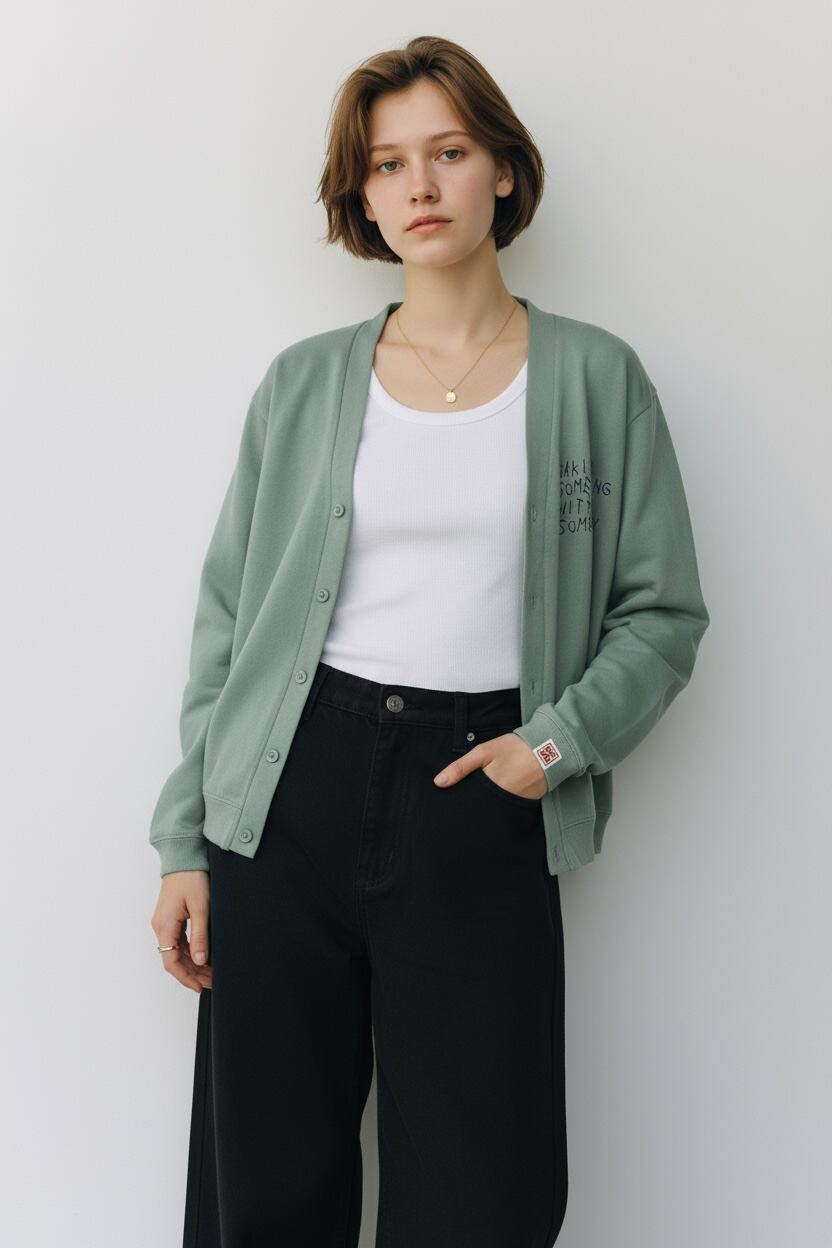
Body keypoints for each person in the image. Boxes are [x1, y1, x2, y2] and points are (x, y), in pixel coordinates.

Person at [149, 35, 709, 1248]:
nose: (418, 186)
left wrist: (550, 749)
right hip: (287, 795)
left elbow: (662, 614)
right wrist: (186, 839)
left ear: (501, 169)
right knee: (265, 1184)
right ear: (361, 196)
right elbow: (230, 625)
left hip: (479, 790)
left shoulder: (595, 379)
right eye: (386, 163)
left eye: (447, 152)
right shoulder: (304, 385)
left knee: (479, 1186)